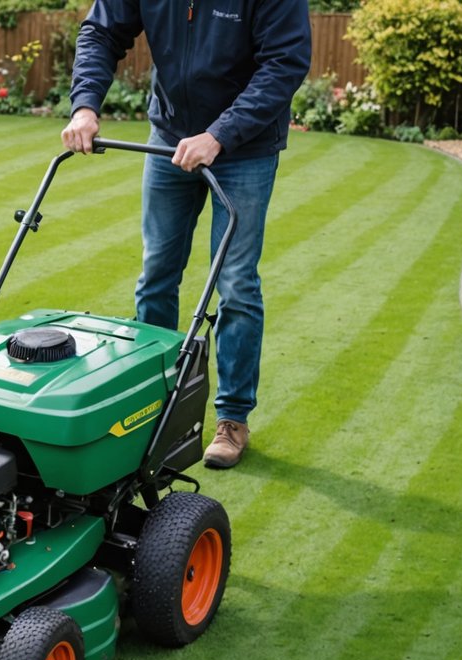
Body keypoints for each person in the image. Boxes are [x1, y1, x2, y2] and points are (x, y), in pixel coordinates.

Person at [62, 0, 311, 468]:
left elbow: (285, 62)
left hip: (245, 149)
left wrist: (220, 134)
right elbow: (101, 31)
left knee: (235, 282)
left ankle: (232, 419)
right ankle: (154, 402)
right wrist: (85, 106)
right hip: (169, 136)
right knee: (156, 273)